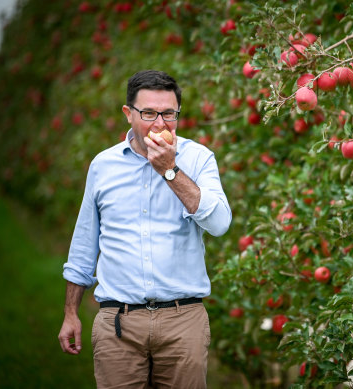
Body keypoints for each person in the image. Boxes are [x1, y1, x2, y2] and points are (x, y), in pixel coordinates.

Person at [58, 69, 232, 388]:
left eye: (168, 114)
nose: (159, 124)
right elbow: (84, 246)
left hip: (183, 322)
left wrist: (170, 171)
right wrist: (71, 313)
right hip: (118, 323)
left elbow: (220, 223)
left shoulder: (198, 159)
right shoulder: (103, 166)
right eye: (149, 113)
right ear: (128, 114)